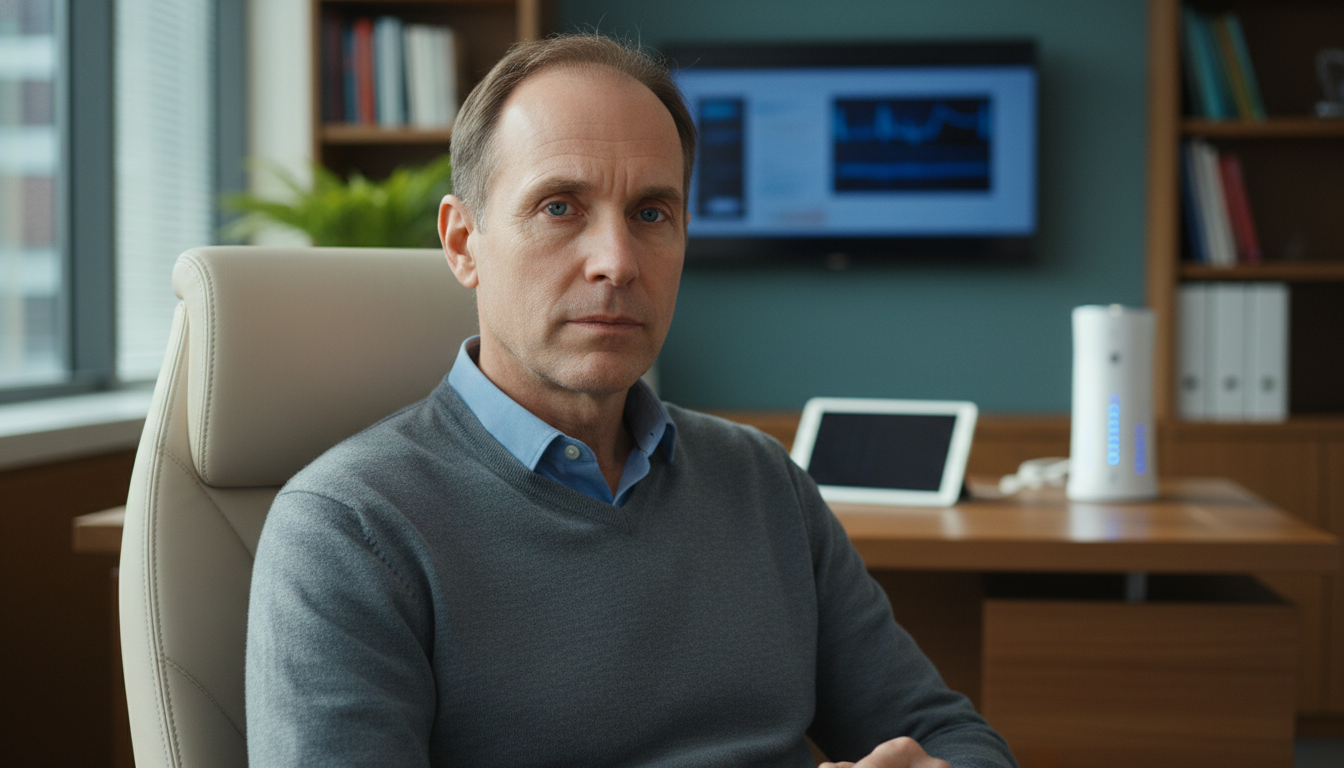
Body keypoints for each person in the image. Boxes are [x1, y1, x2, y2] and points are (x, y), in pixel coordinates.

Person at [245, 34, 1017, 768]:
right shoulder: (350, 527)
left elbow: (949, 733)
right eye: (559, 207)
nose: (616, 262)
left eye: (652, 213)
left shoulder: (762, 482)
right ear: (462, 243)